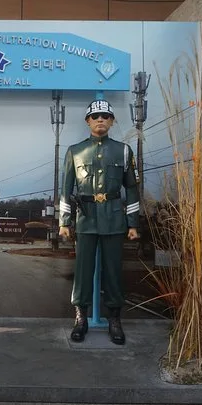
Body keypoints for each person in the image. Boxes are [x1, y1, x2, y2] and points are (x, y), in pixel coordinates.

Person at [58, 99, 140, 345]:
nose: (100, 119)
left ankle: (114, 318)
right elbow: (66, 189)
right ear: (88, 121)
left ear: (112, 121)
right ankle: (80, 318)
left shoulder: (123, 151)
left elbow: (132, 189)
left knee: (113, 270)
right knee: (83, 271)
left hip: (114, 219)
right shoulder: (75, 151)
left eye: (105, 115)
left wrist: (133, 224)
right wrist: (64, 222)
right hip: (86, 218)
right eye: (95, 116)